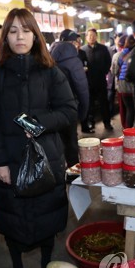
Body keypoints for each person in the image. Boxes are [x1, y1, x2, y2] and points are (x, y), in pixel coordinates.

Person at [0, 8, 77, 268]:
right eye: (13, 31)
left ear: (35, 35)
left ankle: (47, 262)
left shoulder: (51, 71)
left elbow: (69, 111)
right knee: (12, 219)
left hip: (49, 158)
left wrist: (39, 124)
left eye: (26, 30)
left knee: (49, 216)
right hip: (9, 159)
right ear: (5, 38)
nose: (19, 36)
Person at [50, 29, 89, 166]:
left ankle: (59, 172)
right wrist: (83, 112)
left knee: (56, 142)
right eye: (77, 42)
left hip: (51, 109)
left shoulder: (49, 56)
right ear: (73, 42)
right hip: (69, 107)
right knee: (71, 143)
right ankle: (73, 175)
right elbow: (82, 89)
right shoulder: (73, 60)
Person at [81, 28, 113, 133]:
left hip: (101, 80)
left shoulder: (103, 48)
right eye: (89, 35)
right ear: (86, 37)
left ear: (96, 37)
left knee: (104, 103)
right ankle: (91, 123)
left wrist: (104, 71)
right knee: (90, 105)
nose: (91, 37)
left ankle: (107, 123)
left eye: (93, 35)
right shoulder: (82, 50)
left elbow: (109, 62)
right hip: (88, 82)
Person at [114, 35, 135, 129]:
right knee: (134, 110)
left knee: (128, 109)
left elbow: (115, 71)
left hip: (122, 86)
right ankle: (133, 132)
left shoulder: (121, 54)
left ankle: (127, 130)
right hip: (132, 85)